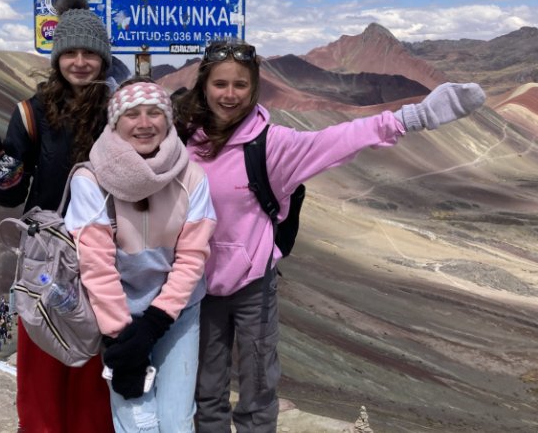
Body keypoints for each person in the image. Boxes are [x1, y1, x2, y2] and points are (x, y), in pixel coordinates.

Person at [173, 38, 486, 432]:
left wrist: (414, 117)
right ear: (204, 85)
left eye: (241, 84)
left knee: (257, 389)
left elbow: (341, 139)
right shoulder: (181, 141)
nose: (230, 94)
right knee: (206, 390)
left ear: (254, 89)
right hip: (198, 287)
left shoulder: (273, 145)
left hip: (253, 287)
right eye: (221, 84)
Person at [0, 4, 121, 433]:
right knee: (42, 348)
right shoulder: (30, 113)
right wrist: (6, 172)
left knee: (93, 360)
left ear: (104, 57)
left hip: (108, 252)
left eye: (90, 53)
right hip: (46, 255)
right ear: (57, 58)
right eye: (70, 53)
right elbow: (11, 197)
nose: (80, 62)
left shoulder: (122, 110)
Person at [65, 79, 217, 432]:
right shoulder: (91, 180)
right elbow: (96, 266)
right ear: (115, 123)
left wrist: (156, 322)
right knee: (140, 424)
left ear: (168, 120)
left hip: (176, 313)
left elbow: (193, 255)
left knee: (178, 422)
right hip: (117, 316)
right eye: (132, 114)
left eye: (154, 113)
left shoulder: (191, 176)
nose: (144, 123)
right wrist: (122, 338)